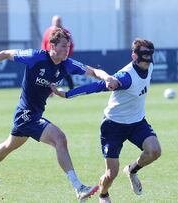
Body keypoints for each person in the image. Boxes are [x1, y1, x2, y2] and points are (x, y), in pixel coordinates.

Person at [0, 28, 119, 202]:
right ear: (52, 45)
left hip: (34, 113)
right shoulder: (36, 57)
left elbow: (93, 71)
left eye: (68, 46)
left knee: (10, 145)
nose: (66, 49)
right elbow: (5, 53)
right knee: (59, 139)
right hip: (26, 113)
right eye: (63, 46)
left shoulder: (66, 64)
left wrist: (107, 77)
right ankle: (78, 188)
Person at [50, 38, 162, 203]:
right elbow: (96, 87)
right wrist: (66, 94)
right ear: (134, 56)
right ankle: (103, 194)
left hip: (137, 122)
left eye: (149, 56)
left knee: (154, 151)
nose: (147, 61)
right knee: (111, 174)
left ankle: (131, 170)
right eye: (143, 56)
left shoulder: (150, 66)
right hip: (113, 126)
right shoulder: (125, 77)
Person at [42, 15, 75, 90]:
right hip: (49, 58)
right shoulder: (48, 31)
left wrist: (67, 55)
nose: (57, 23)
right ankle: (48, 92)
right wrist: (44, 55)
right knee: (48, 75)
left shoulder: (65, 32)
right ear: (52, 22)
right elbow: (44, 44)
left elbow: (71, 44)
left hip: (62, 57)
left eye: (58, 21)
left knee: (65, 73)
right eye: (55, 21)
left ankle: (71, 90)